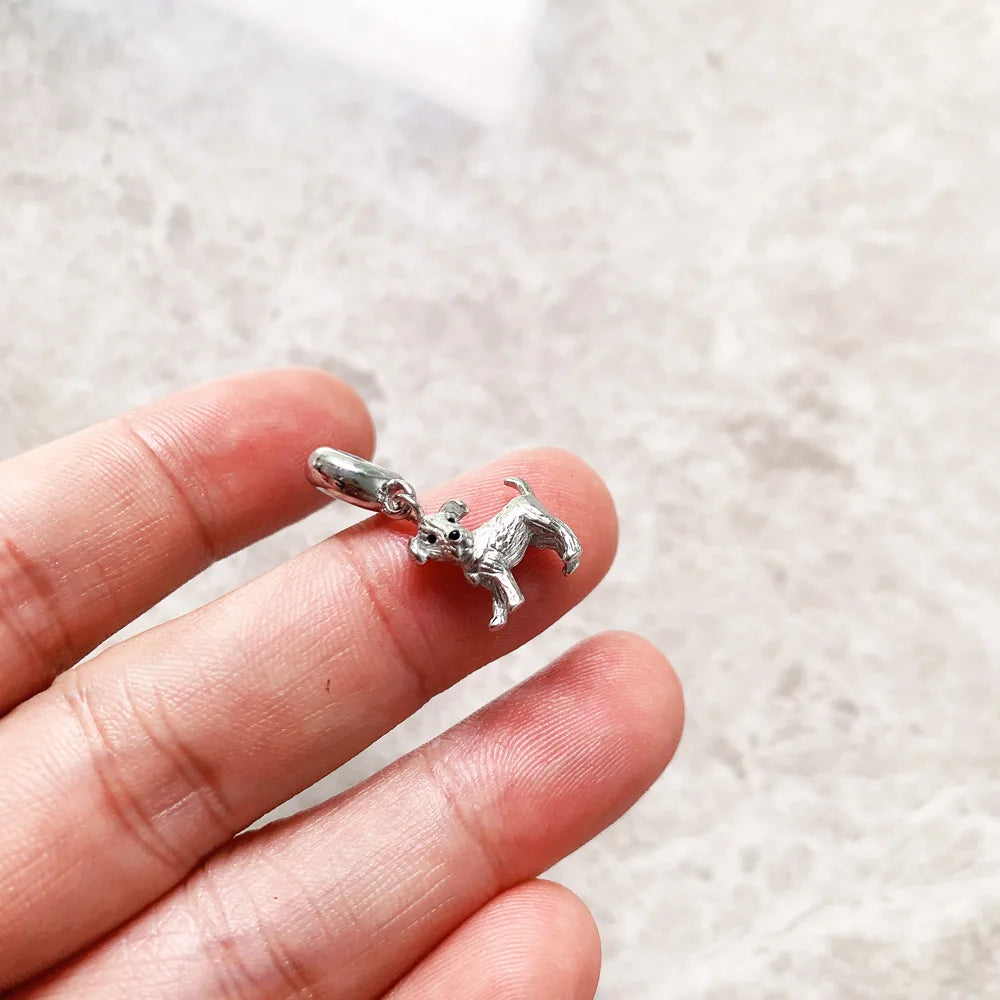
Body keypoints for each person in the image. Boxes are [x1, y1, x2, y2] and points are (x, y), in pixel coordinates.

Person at [0, 370, 683, 999]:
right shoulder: (446, 545)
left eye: (446, 536)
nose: (443, 542)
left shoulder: (471, 542)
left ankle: (562, 543)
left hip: (501, 536)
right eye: (440, 540)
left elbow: (490, 561)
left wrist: (508, 577)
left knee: (540, 525)